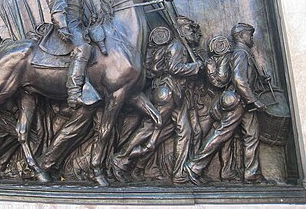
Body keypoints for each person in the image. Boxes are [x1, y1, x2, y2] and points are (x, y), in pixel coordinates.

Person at [111, 17, 204, 184]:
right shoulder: (177, 46)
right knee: (150, 126)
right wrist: (195, 66)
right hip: (167, 93)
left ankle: (178, 174)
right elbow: (174, 68)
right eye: (190, 29)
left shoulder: (182, 47)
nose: (193, 33)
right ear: (181, 30)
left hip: (176, 96)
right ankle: (121, 158)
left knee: (185, 131)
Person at [185, 23, 268, 184]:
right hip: (239, 101)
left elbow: (247, 77)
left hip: (245, 103)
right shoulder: (240, 53)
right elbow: (238, 79)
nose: (251, 38)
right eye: (250, 35)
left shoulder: (244, 53)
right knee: (221, 134)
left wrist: (261, 80)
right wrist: (253, 99)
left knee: (251, 136)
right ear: (242, 36)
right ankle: (194, 166)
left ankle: (252, 173)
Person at [49, 0, 100, 107]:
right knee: (83, 48)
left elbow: (77, 13)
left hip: (78, 27)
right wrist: (63, 27)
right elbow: (58, 9)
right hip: (68, 27)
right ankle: (74, 92)